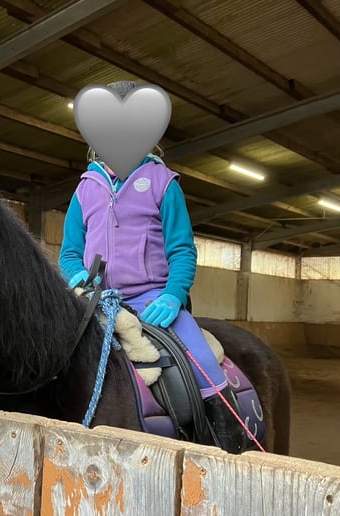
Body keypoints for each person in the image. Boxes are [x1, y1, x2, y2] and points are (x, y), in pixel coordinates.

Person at [59, 80, 245, 454]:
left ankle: (231, 447)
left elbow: (183, 251)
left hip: (152, 299)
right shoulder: (85, 189)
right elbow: (68, 254)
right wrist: (79, 277)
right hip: (96, 300)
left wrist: (173, 295)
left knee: (205, 367)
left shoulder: (164, 184)